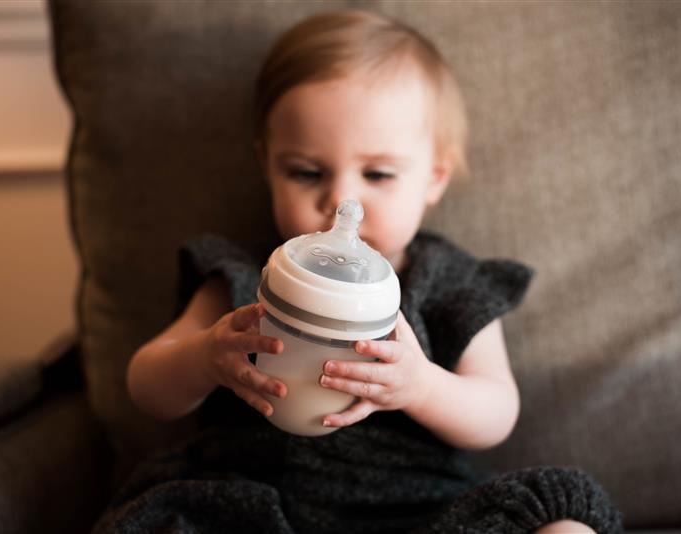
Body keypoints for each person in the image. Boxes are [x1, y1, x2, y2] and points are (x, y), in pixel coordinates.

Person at [94, 10, 622, 534]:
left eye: (378, 173)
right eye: (306, 172)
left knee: (564, 525)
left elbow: (496, 414)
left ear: (433, 178)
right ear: (268, 165)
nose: (342, 202)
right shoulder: (240, 275)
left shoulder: (453, 284)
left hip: (418, 514)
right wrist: (206, 356)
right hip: (250, 502)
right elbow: (147, 386)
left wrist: (421, 388)